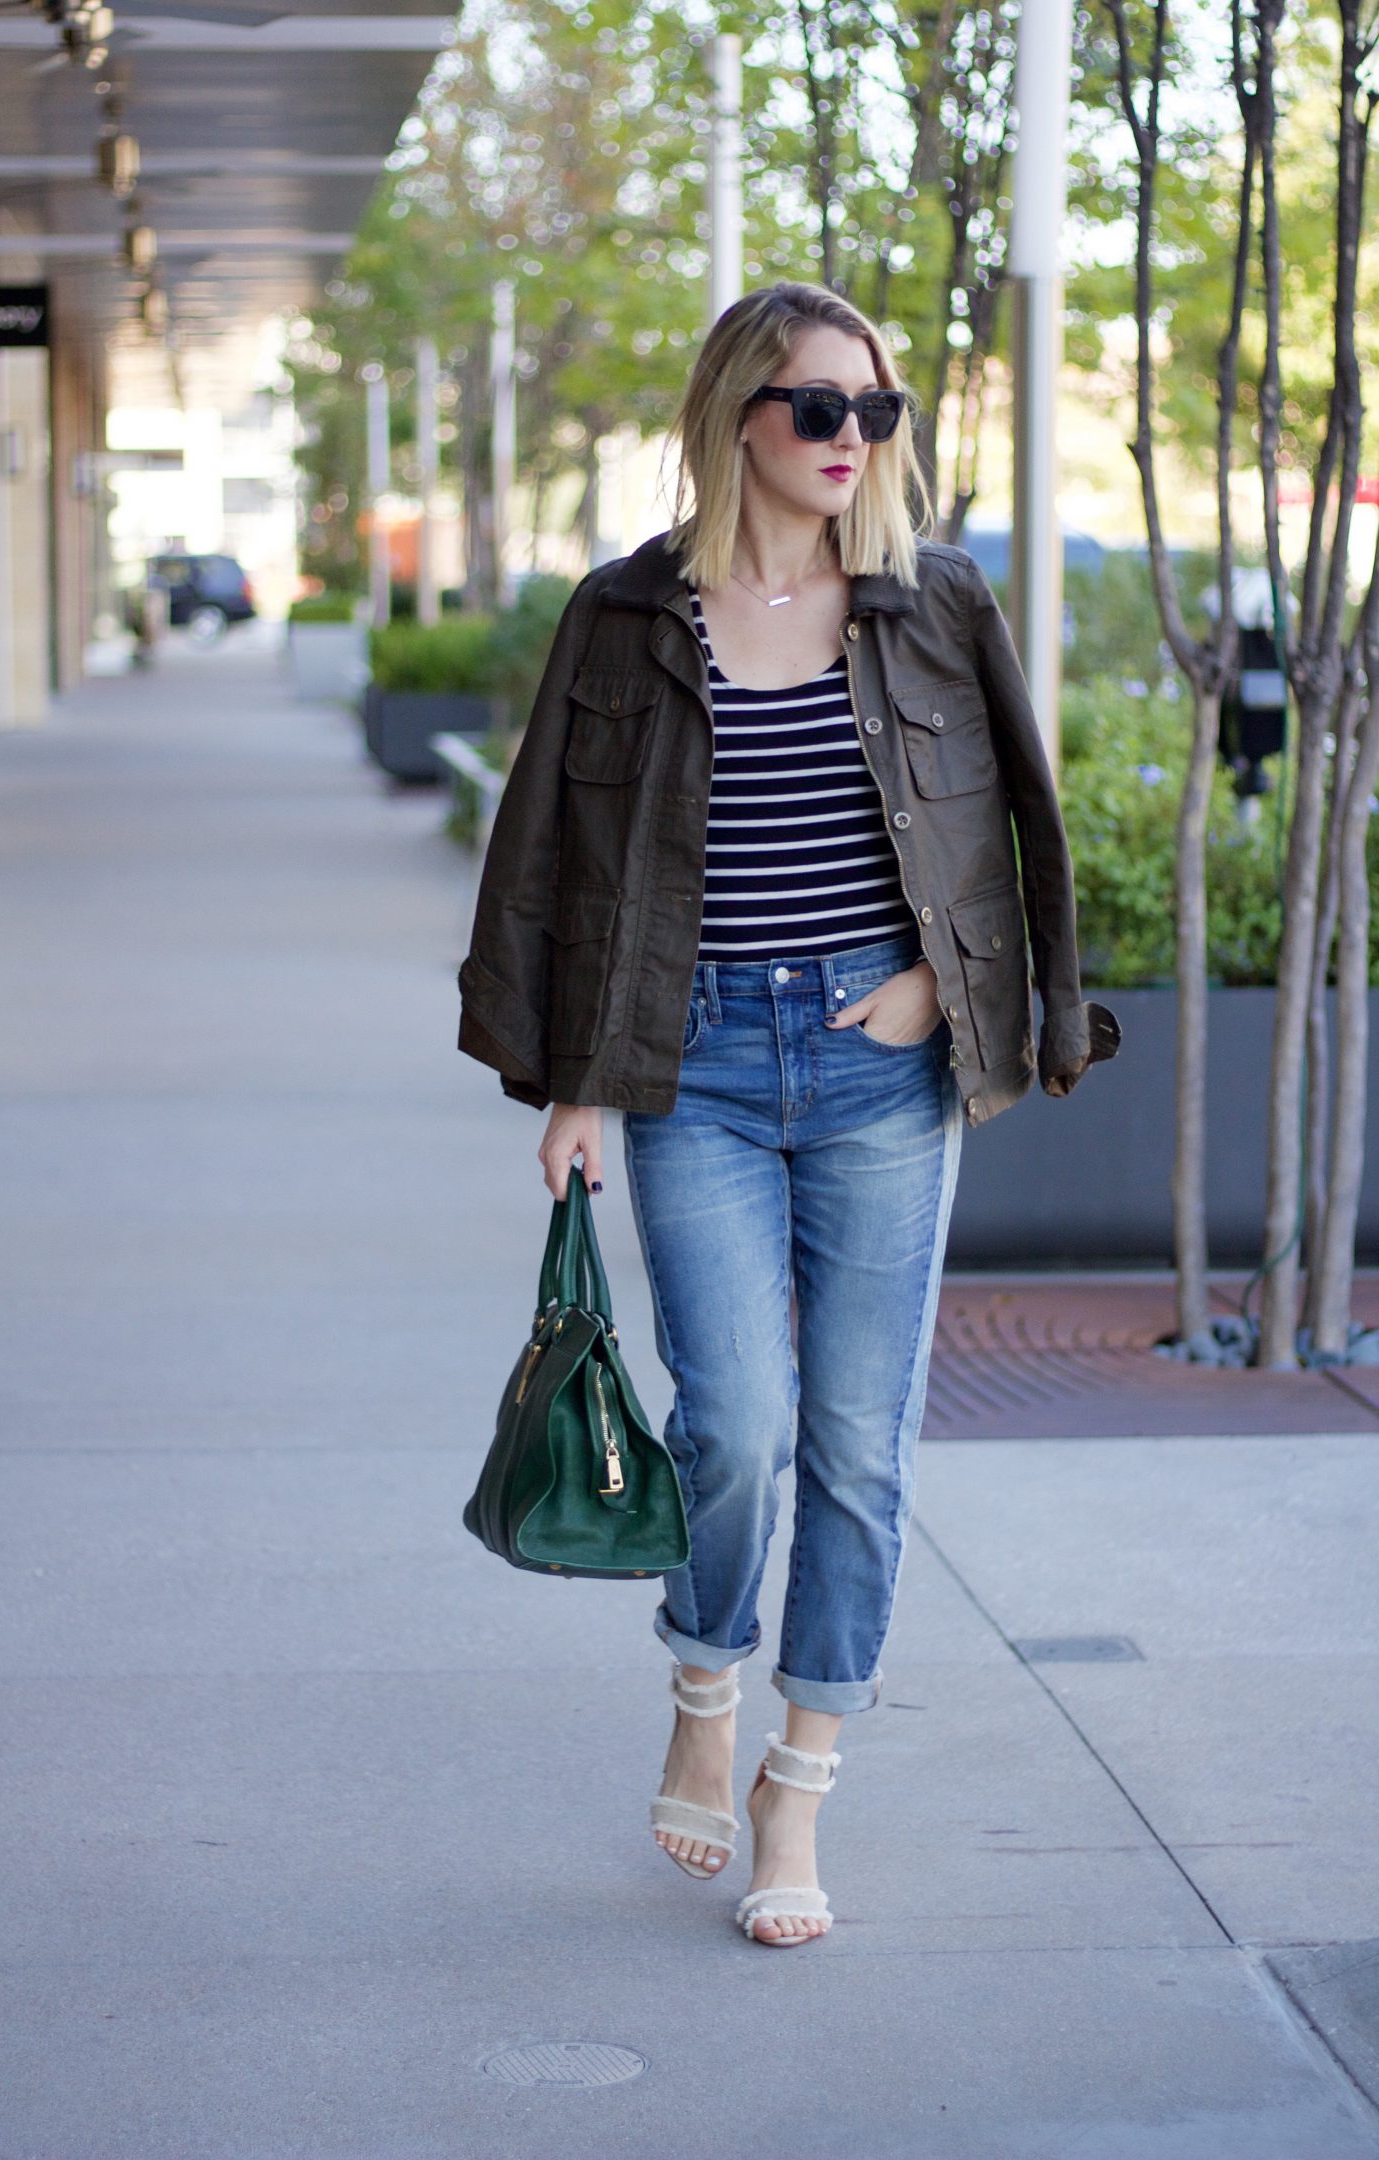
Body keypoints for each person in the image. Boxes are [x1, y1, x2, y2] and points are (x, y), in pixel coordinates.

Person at [456, 280, 1120, 1949]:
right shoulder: (624, 616)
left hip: (881, 1065)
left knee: (857, 1443)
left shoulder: (933, 604)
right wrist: (570, 1080)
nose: (849, 440)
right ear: (737, 412)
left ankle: (797, 1781)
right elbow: (548, 850)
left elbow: (1019, 827)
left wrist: (952, 996)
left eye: (874, 411)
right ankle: (703, 1681)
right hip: (694, 1067)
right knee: (734, 1423)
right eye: (818, 406)